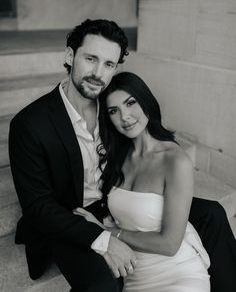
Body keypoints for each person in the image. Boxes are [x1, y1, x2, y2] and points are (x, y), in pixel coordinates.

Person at [8, 19, 236, 292]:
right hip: (71, 217)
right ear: (70, 56)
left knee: (212, 213)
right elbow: (38, 207)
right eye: (91, 59)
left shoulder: (112, 107)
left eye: (108, 64)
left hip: (116, 200)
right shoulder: (30, 124)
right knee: (102, 286)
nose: (98, 73)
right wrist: (104, 239)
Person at [74, 71, 211, 292]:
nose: (125, 117)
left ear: (146, 101)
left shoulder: (175, 161)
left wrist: (104, 233)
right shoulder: (116, 157)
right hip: (135, 278)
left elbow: (169, 244)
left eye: (131, 103)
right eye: (114, 111)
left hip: (178, 275)